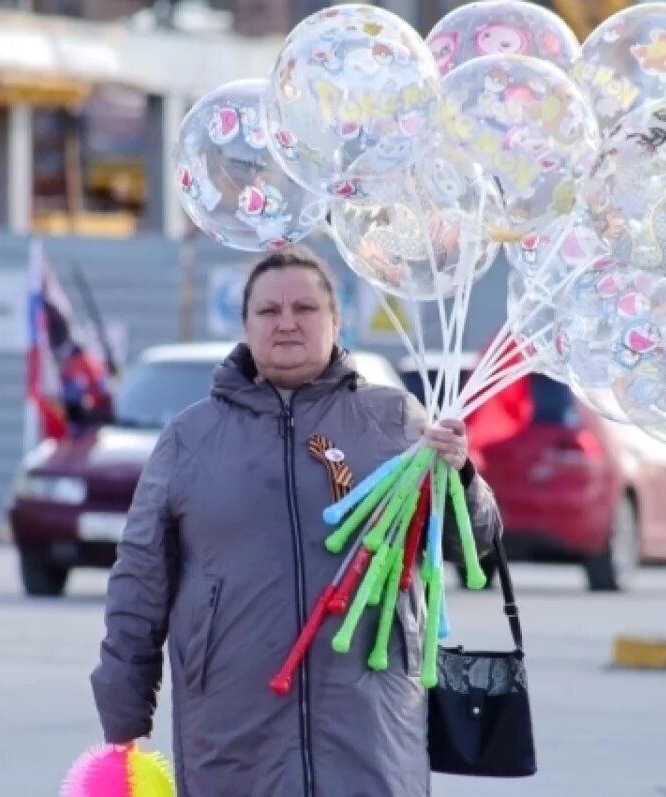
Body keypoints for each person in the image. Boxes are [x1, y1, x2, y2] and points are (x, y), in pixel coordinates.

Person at [90, 247, 502, 796]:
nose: (286, 322)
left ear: (335, 320)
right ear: (245, 326)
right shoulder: (190, 438)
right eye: (269, 310)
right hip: (232, 730)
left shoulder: (397, 421)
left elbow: (474, 541)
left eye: (304, 308)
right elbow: (139, 581)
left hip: (373, 727)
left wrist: (462, 475)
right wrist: (124, 714)